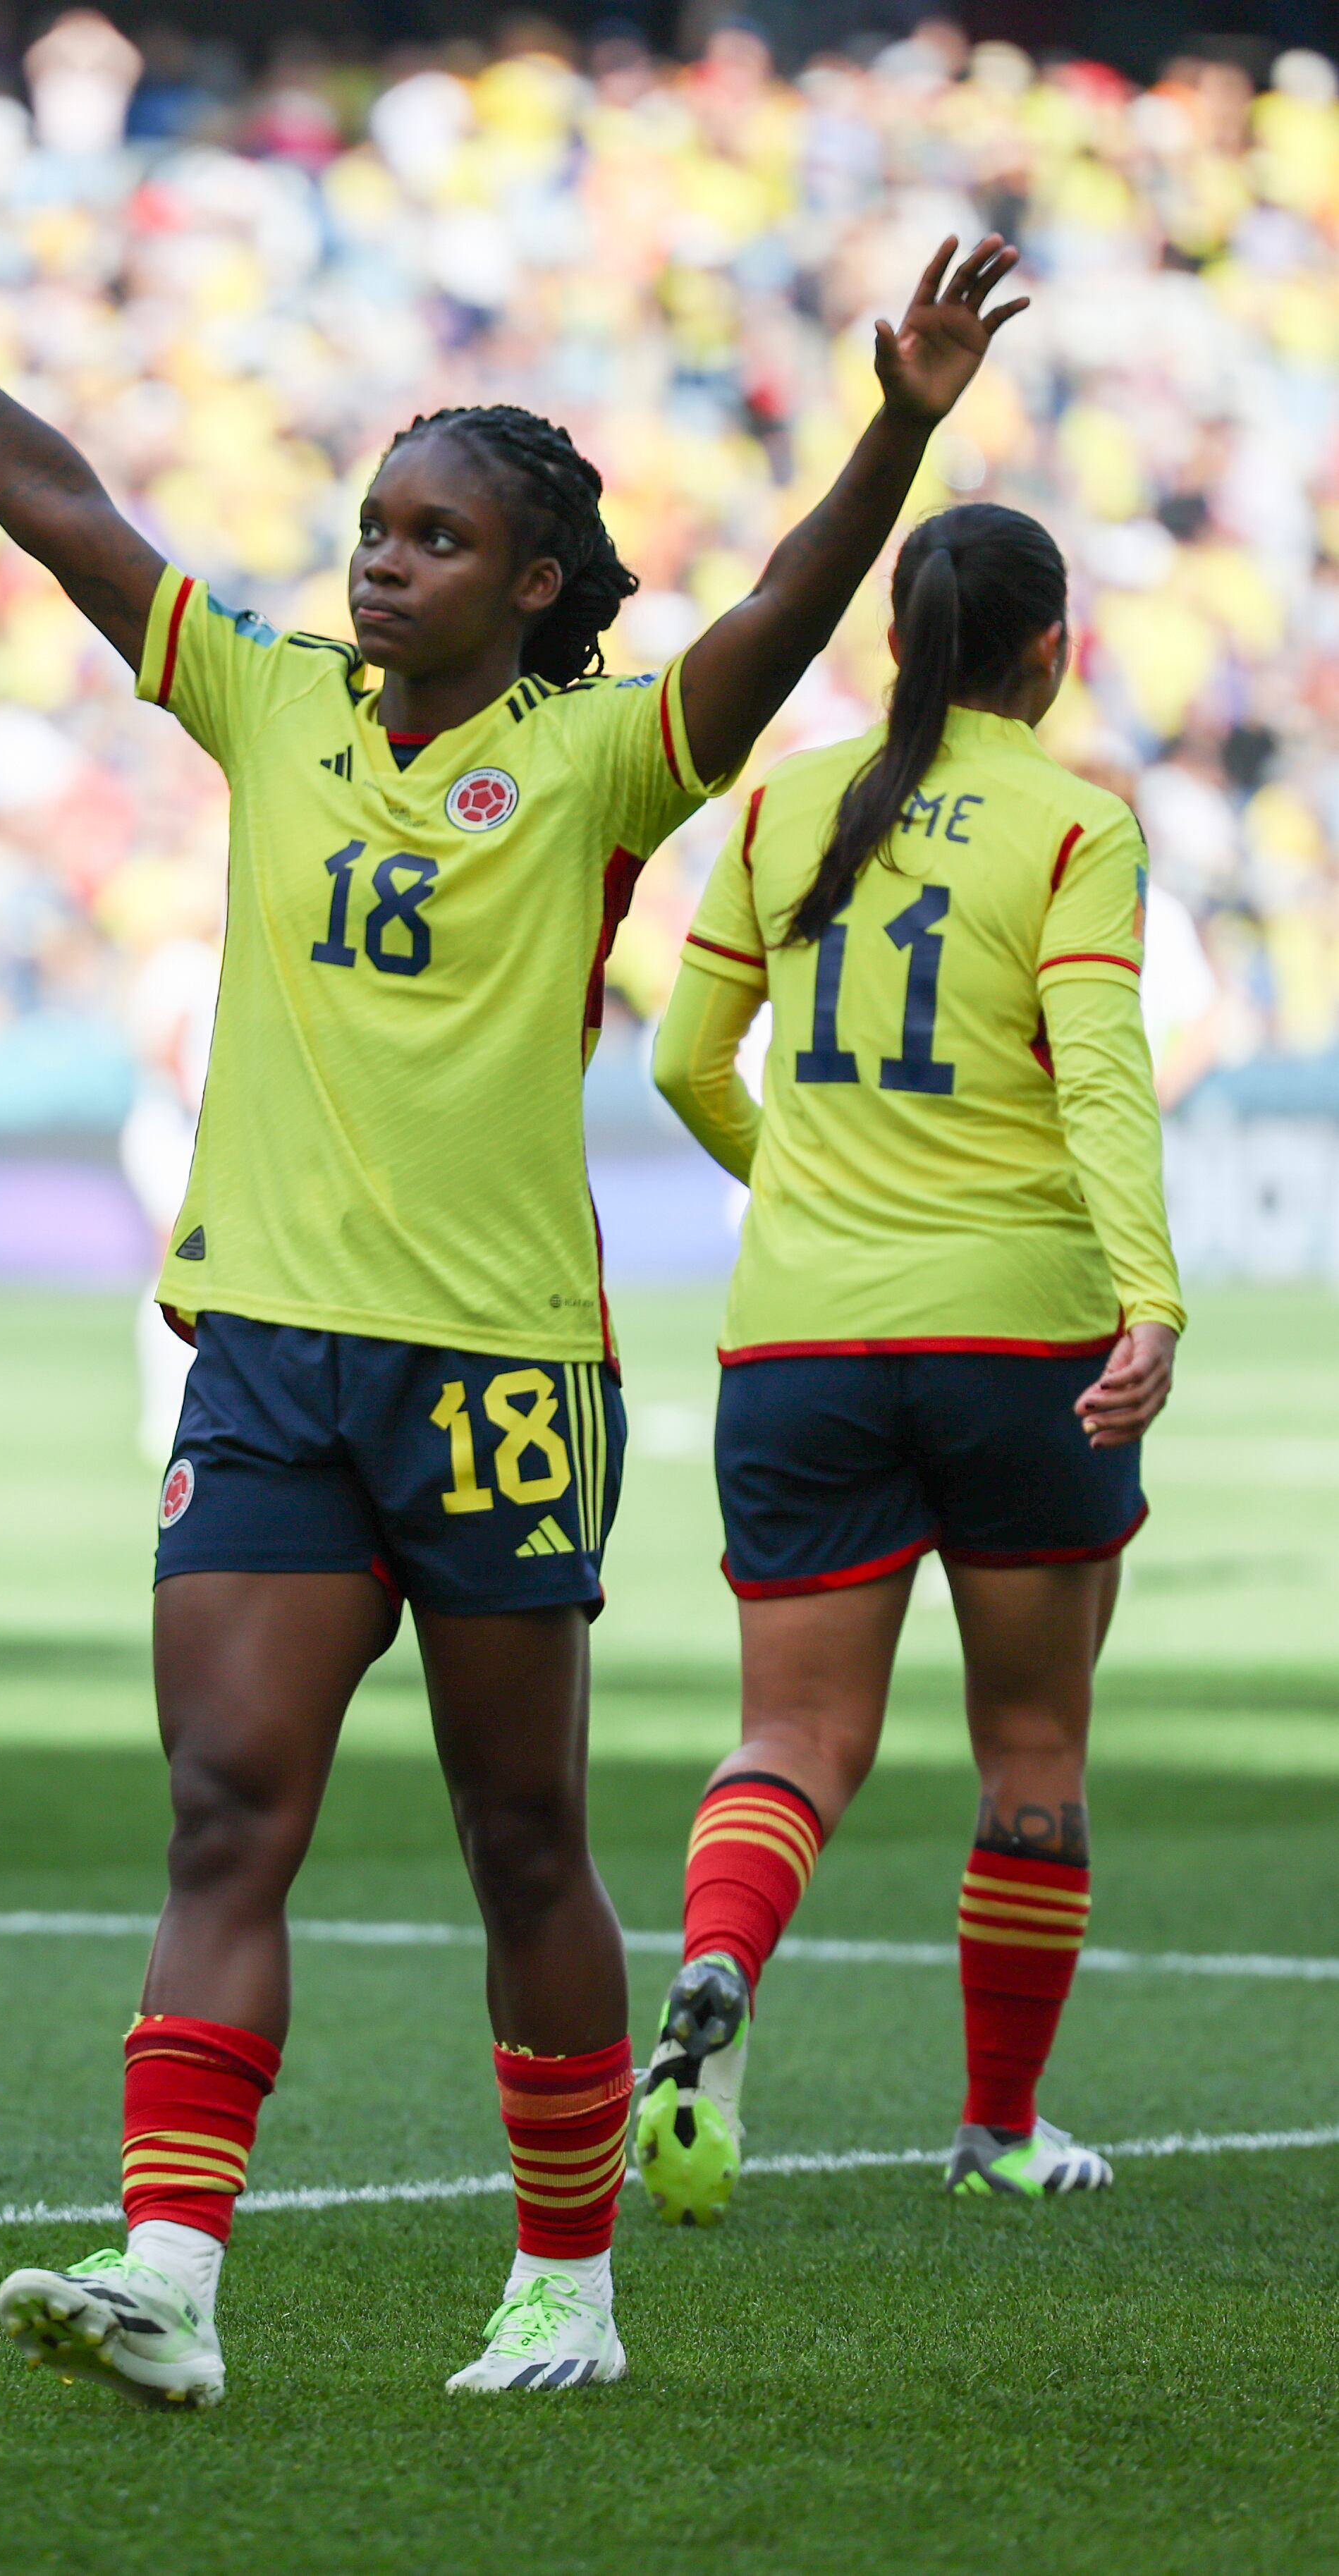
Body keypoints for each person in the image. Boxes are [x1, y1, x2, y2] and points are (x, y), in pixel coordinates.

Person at [0, 75, 1024, 2403]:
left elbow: (766, 623)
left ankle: (565, 2283)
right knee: (227, 1805)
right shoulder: (263, 699)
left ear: (533, 582)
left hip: (500, 1375)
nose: (382, 560)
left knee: (518, 1834)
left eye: (436, 536)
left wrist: (893, 444)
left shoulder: (600, 765)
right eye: (373, 524)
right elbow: (56, 500)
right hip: (266, 1351)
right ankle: (176, 2270)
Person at [647, 501, 1184, 2219]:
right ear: (1053, 652)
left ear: (892, 644)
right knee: (1031, 1740)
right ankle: (1000, 2130)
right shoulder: (1073, 822)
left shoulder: (776, 803)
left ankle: (718, 1966)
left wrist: (809, 1192)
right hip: (1017, 1334)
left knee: (790, 1735)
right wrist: (1146, 1297)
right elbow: (1096, 1073)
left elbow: (678, 1062)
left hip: (796, 1337)